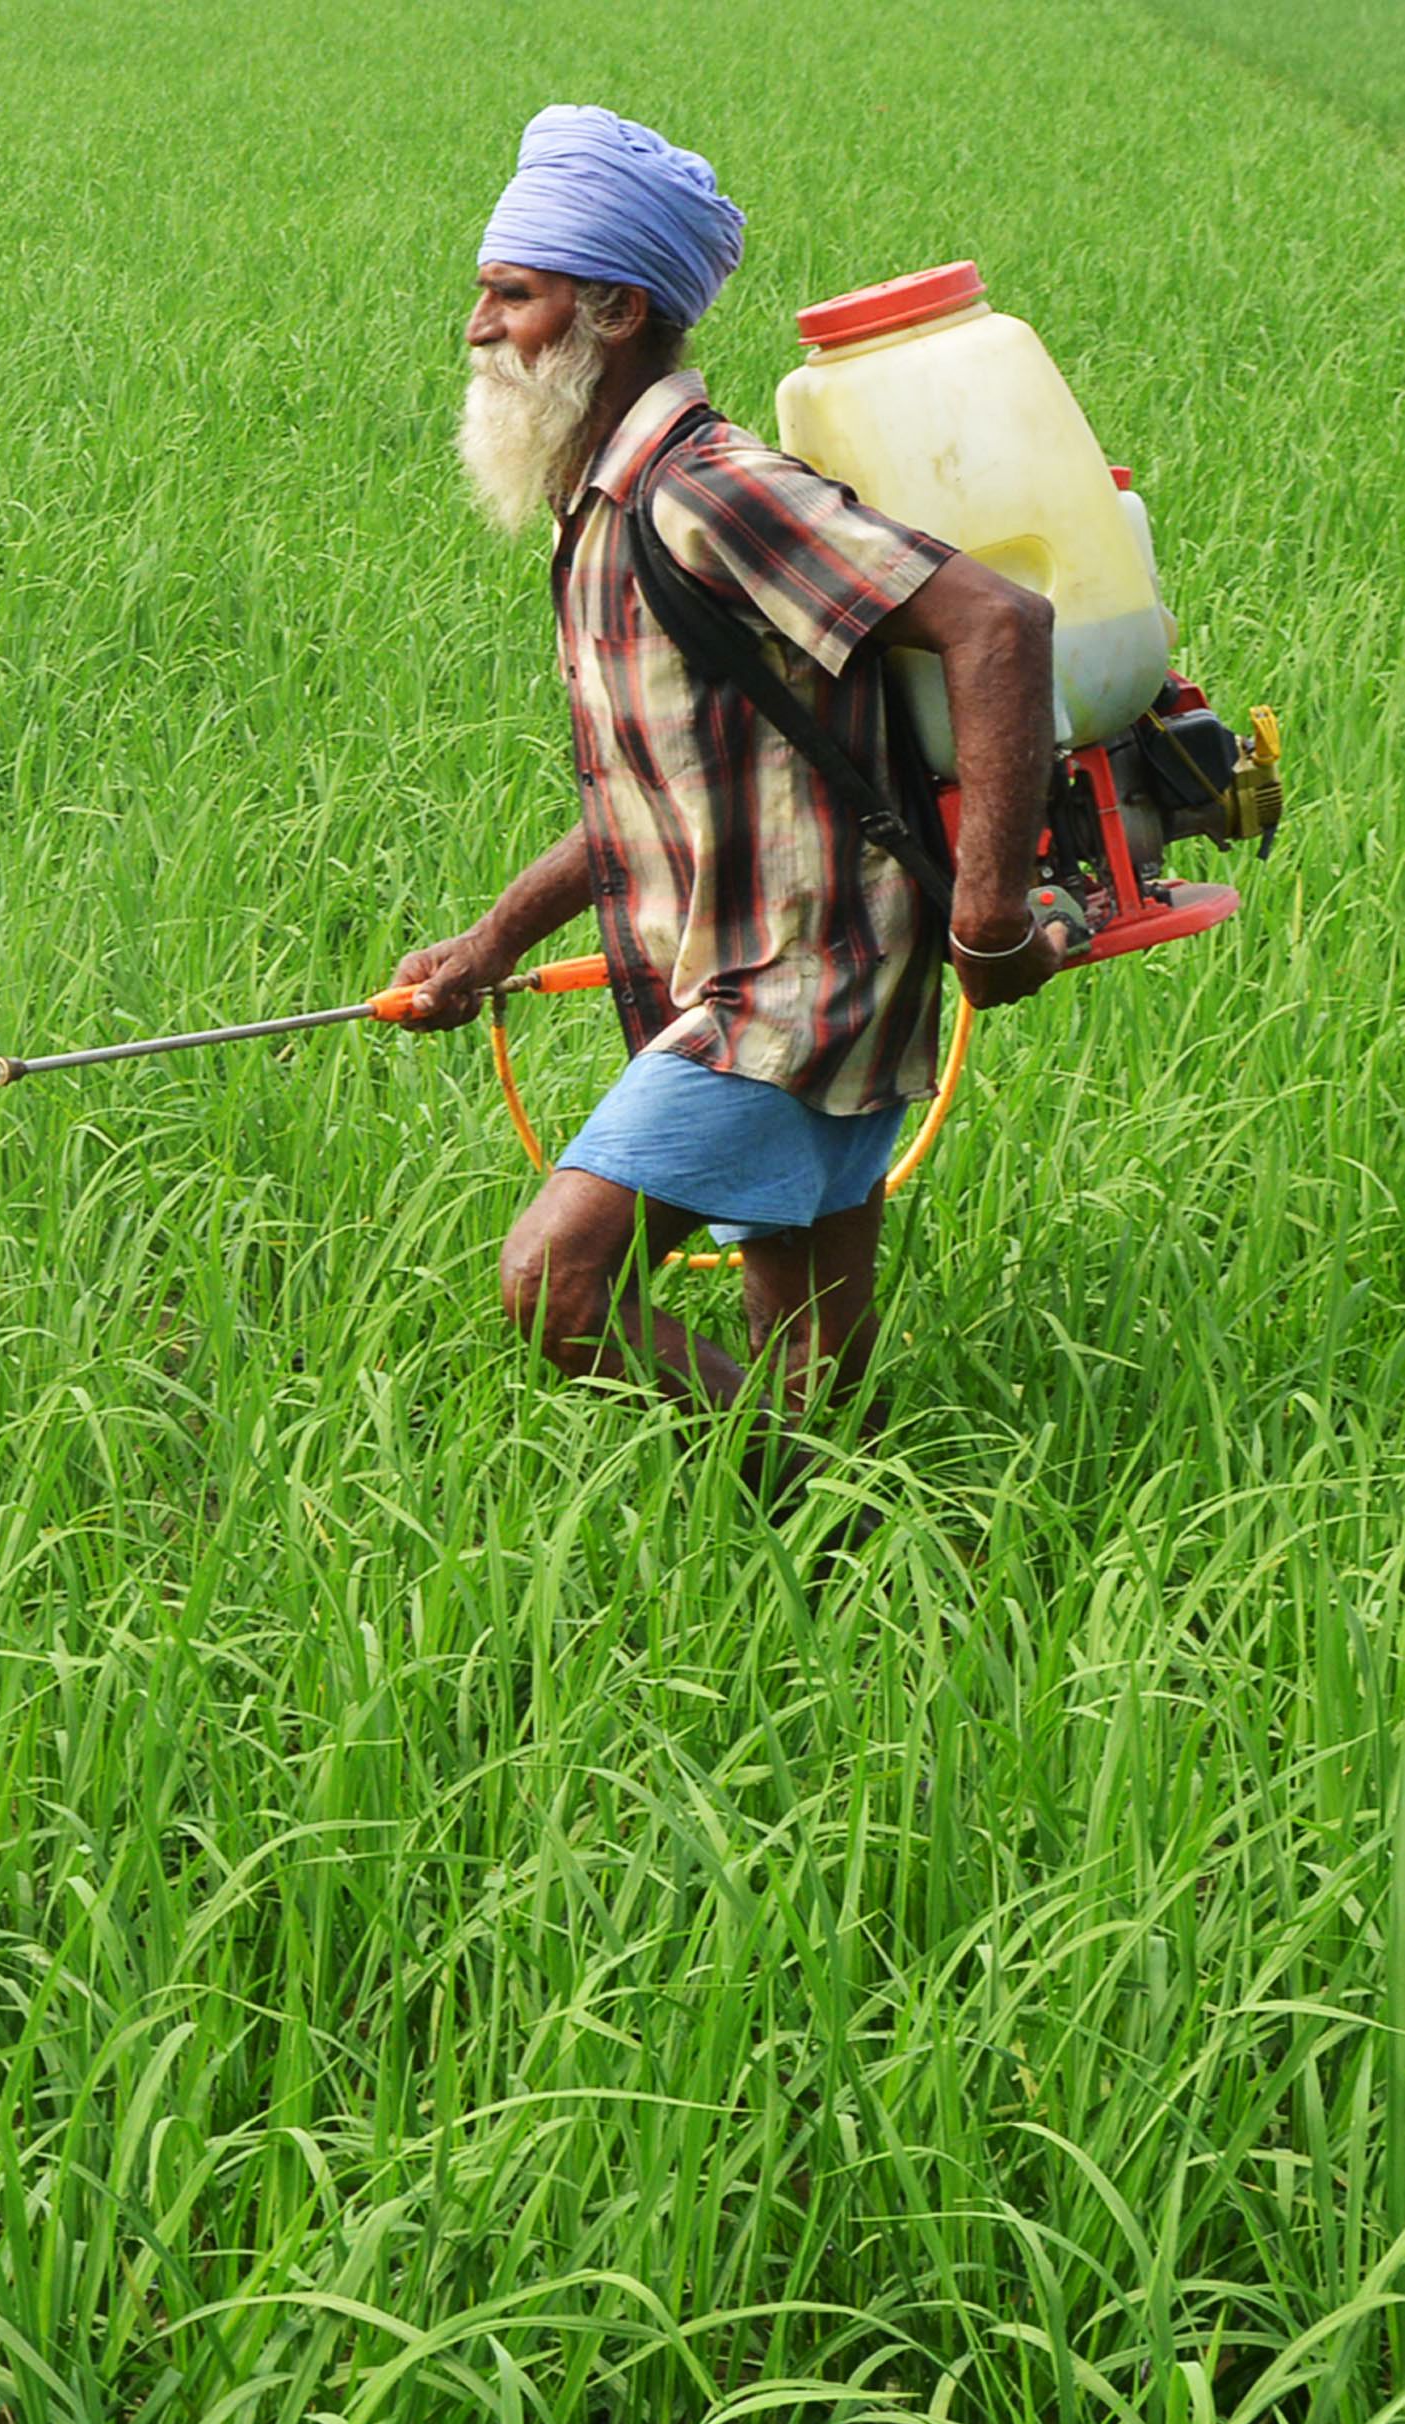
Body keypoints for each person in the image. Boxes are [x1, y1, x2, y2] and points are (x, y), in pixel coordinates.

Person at [390, 106, 1069, 1450]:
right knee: (812, 1363)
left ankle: (832, 1492)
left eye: (509, 296)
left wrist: (987, 918)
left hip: (790, 991)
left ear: (614, 308)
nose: (477, 326)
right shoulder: (597, 513)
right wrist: (488, 942)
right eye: (484, 291)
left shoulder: (705, 489)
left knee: (553, 1285)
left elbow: (999, 624)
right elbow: (658, 794)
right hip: (745, 976)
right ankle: (838, 1547)